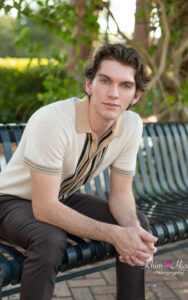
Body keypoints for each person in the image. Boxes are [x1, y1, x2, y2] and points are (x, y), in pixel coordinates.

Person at [0, 43, 158, 300]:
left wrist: (131, 232)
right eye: (105, 80)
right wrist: (116, 235)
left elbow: (120, 195)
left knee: (137, 222)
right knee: (49, 238)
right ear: (89, 85)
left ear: (136, 95)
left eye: (125, 85)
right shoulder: (53, 121)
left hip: (59, 195)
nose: (113, 93)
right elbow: (45, 209)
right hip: (9, 202)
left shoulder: (131, 124)